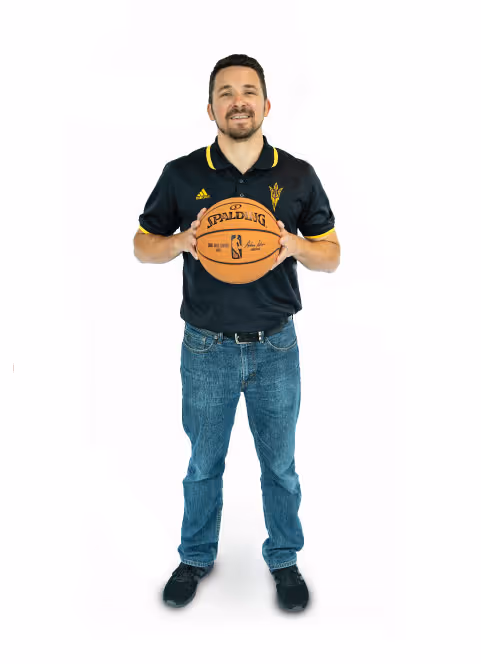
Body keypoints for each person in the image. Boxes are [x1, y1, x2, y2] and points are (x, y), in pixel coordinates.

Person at [133, 54, 340, 612]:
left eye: (249, 91)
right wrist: (182, 241)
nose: (238, 101)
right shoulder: (181, 174)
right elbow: (142, 245)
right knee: (203, 464)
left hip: (277, 345)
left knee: (281, 466)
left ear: (267, 104)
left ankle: (285, 559)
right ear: (210, 109)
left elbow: (332, 256)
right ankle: (195, 556)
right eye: (225, 92)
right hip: (206, 347)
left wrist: (293, 245)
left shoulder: (298, 175)